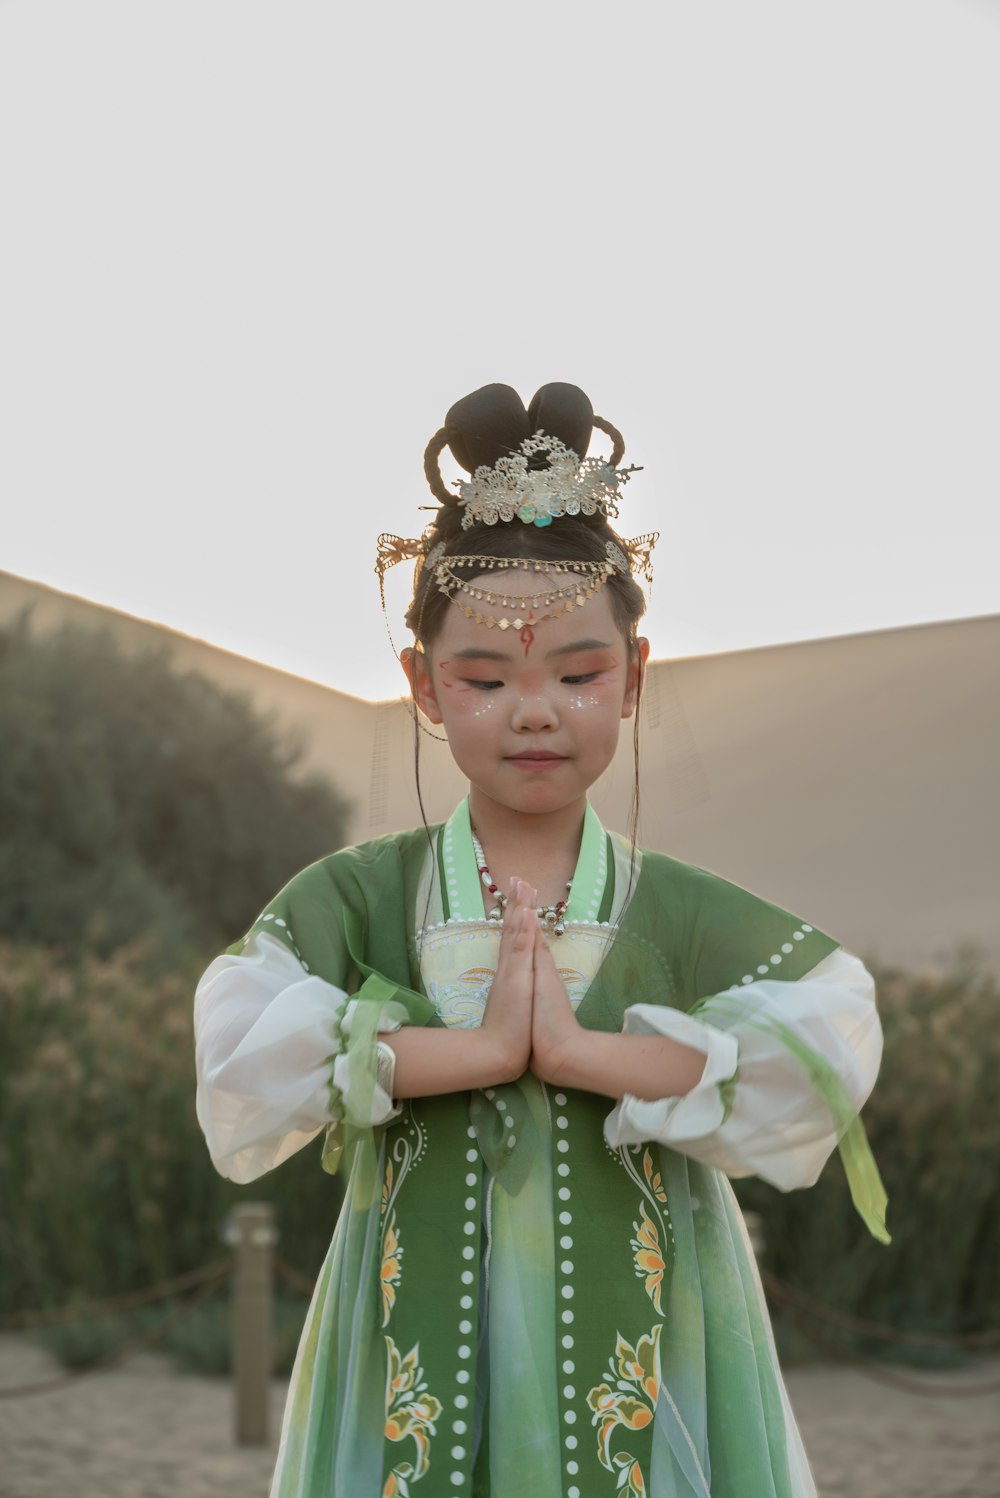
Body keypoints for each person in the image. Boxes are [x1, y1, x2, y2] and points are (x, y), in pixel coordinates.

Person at [194, 382, 889, 1498]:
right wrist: (469, 1053)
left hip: (657, 1344)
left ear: (633, 679)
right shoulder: (361, 895)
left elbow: (825, 1033)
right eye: (484, 676)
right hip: (409, 1333)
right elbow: (241, 1040)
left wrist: (578, 1054)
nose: (534, 709)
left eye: (577, 673)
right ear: (422, 683)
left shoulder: (680, 907)